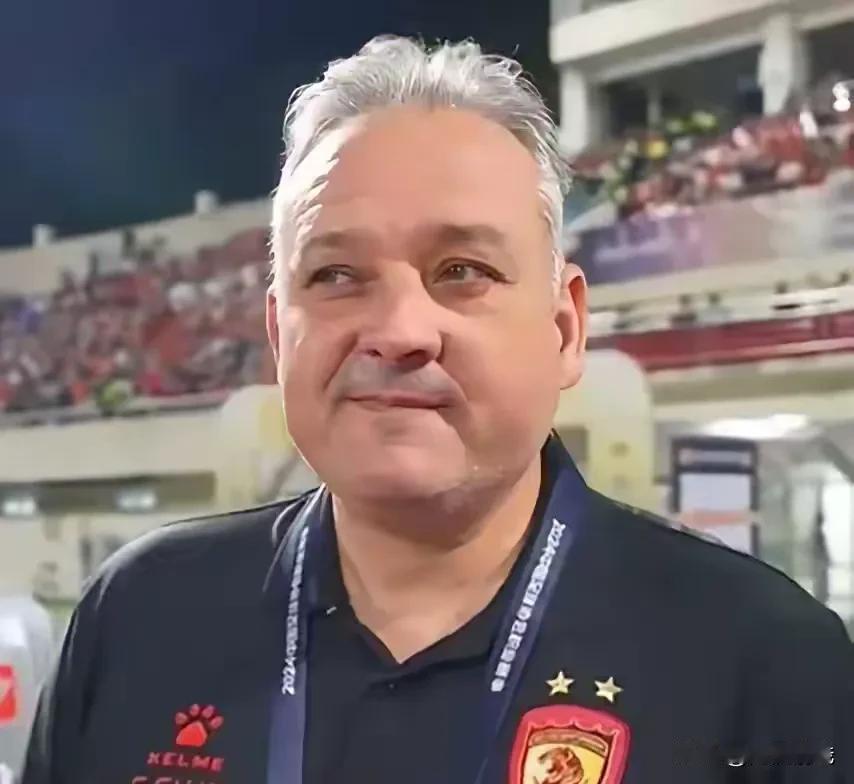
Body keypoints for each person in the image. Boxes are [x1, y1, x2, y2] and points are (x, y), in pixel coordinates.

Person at [22, 36, 853, 784]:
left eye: (462, 271)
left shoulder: (765, 663)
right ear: (278, 334)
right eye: (337, 276)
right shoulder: (139, 617)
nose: (398, 331)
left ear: (564, 330)